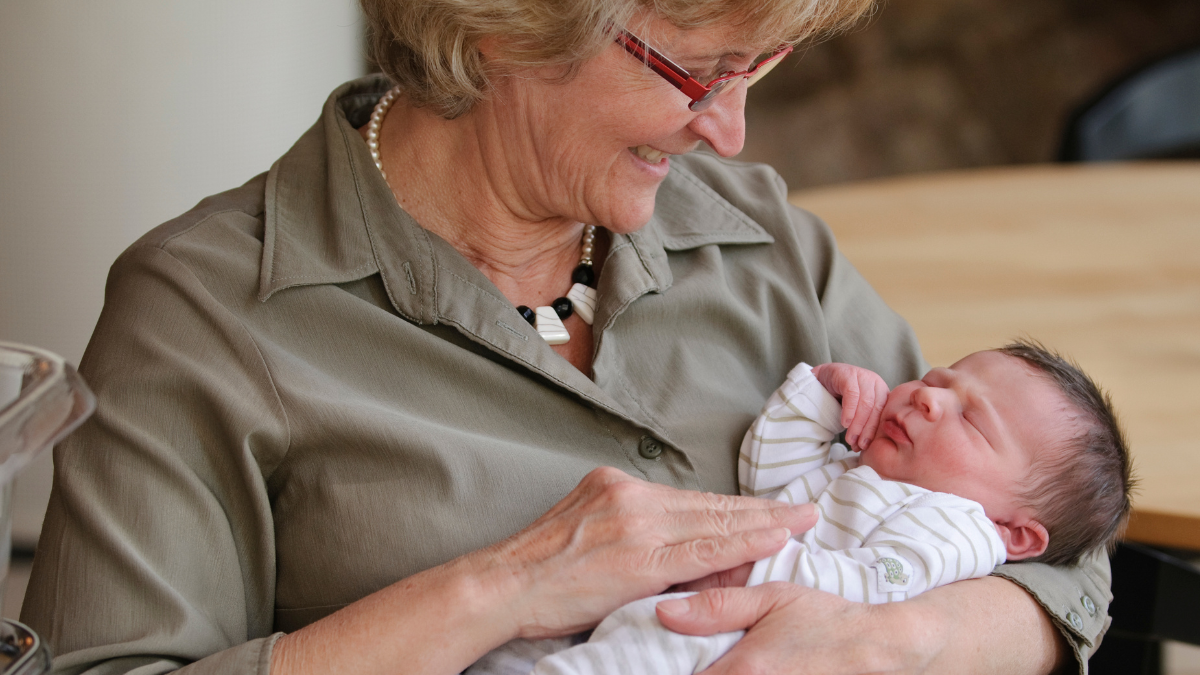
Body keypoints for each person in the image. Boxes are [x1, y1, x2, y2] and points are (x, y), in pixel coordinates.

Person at [21, 0, 1112, 673]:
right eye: (699, 72)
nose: (728, 130)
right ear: (509, 21)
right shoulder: (205, 313)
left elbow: (1055, 536)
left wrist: (906, 643)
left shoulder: (761, 238)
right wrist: (503, 587)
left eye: (756, 70)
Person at [466, 342, 1133, 675]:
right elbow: (766, 472)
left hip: (747, 639)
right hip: (692, 603)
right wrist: (822, 395)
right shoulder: (850, 466)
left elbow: (875, 591)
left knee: (624, 654)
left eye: (973, 421)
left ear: (1015, 531)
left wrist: (756, 563)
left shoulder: (956, 529)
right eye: (937, 381)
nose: (929, 399)